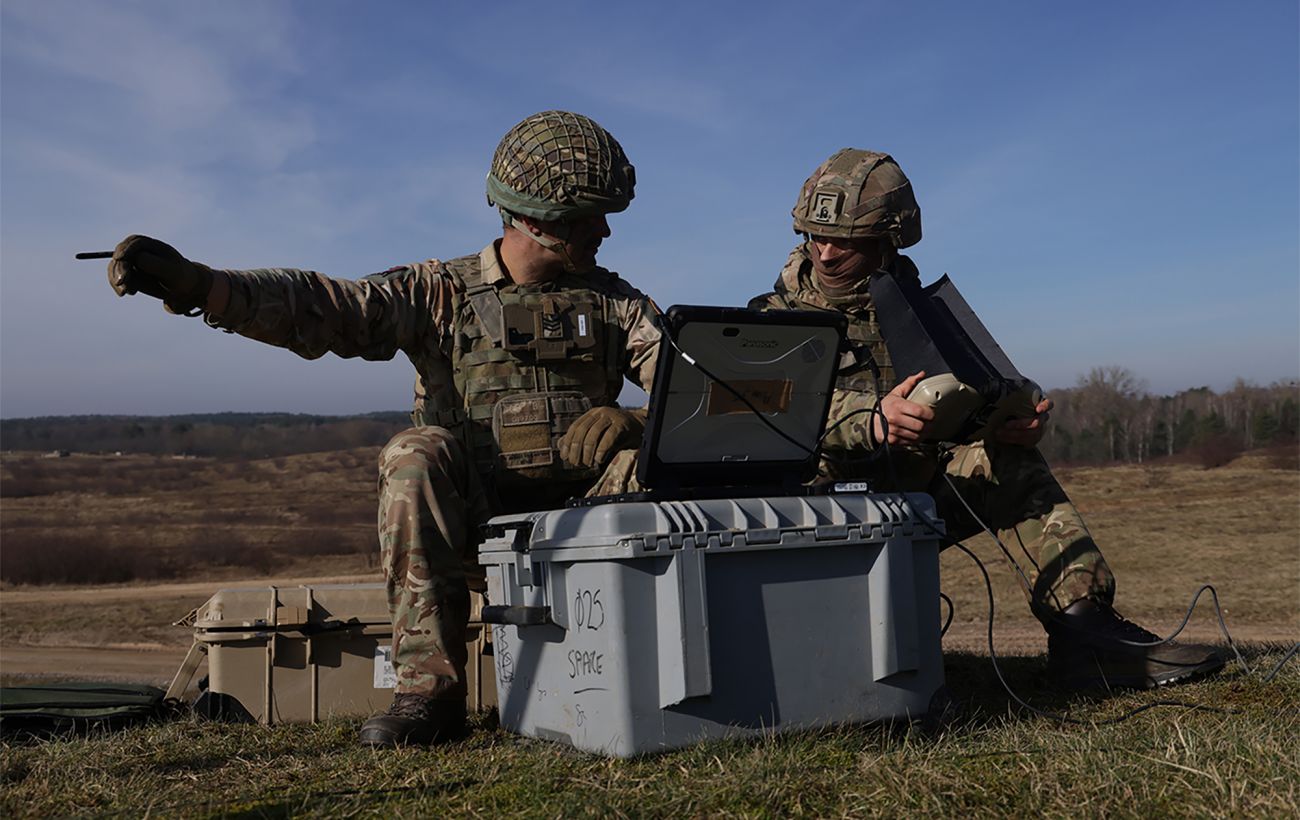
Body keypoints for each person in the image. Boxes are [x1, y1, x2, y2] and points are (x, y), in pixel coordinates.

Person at [106, 111, 662, 746]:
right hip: (475, 530)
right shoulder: (440, 293)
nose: (606, 230)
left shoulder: (619, 305)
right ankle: (429, 694)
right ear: (535, 217)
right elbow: (328, 307)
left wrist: (636, 420)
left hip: (588, 528)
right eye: (590, 217)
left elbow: (700, 395)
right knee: (415, 452)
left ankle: (656, 669)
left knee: (665, 456)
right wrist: (204, 287)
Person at [749, 148, 1224, 691]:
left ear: (887, 241)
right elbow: (767, 416)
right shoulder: (770, 321)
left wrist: (1008, 423)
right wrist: (867, 421)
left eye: (847, 241)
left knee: (1009, 456)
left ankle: (1085, 634)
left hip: (911, 498)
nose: (827, 253)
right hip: (816, 513)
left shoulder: (921, 312)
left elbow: (971, 396)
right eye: (814, 236)